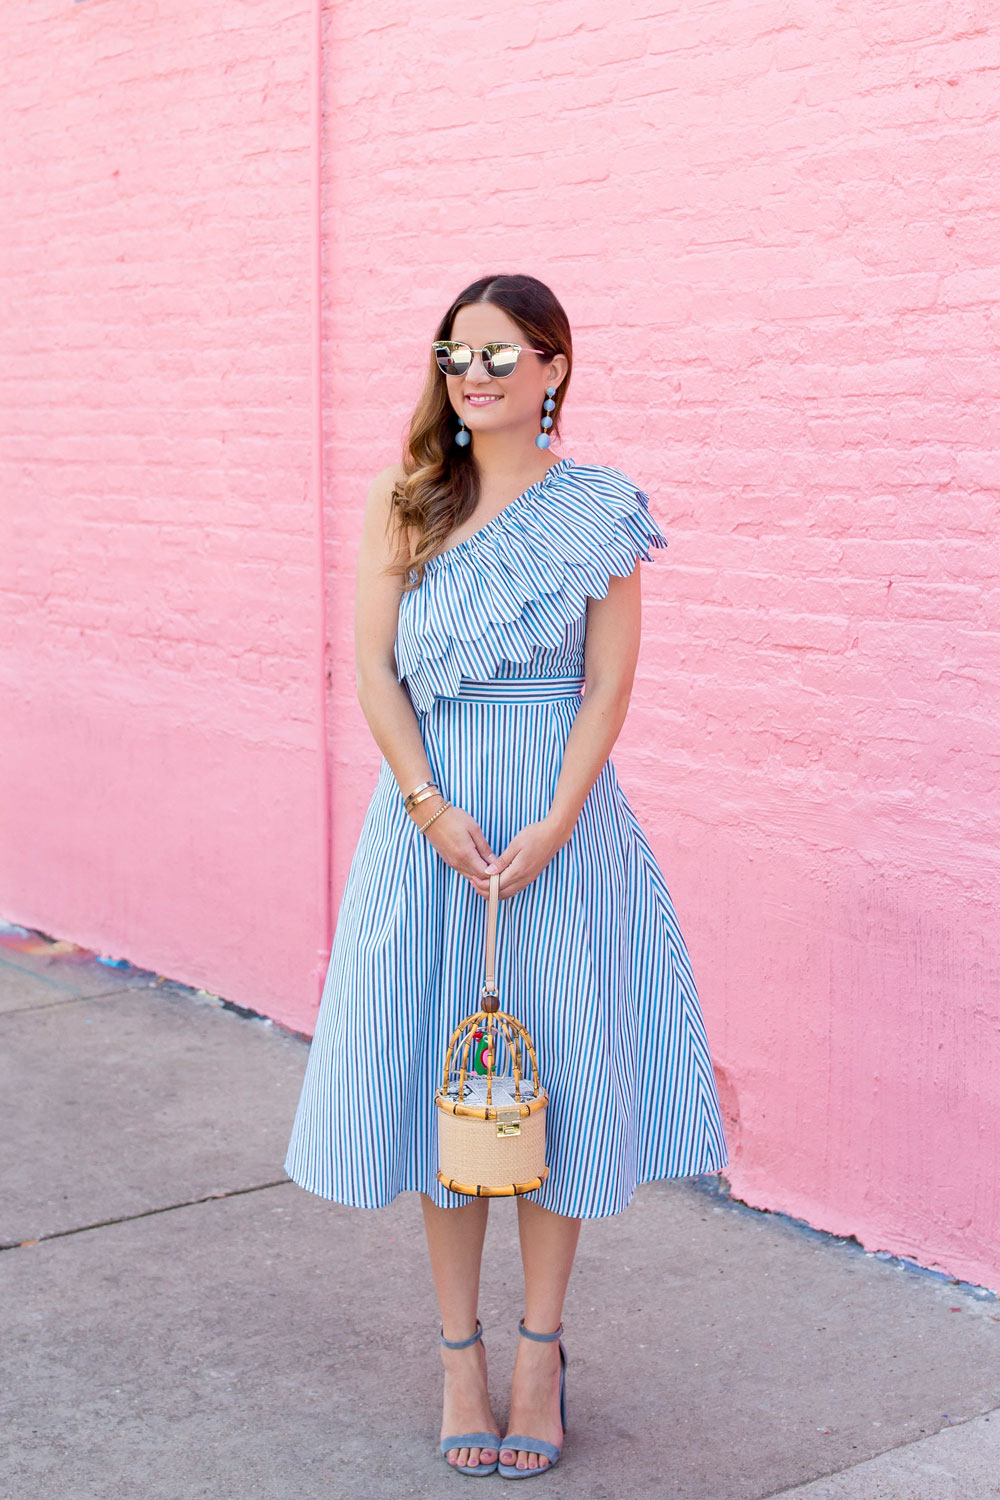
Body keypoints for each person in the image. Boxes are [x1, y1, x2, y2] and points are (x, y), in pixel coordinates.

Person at [283, 272, 728, 1479]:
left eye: (497, 354)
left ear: (553, 368)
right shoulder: (407, 496)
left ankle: (540, 1351)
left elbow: (609, 687)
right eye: (454, 354)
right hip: (430, 824)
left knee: (553, 1084)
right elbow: (373, 671)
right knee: (449, 1086)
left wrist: (557, 821)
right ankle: (457, 1357)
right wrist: (428, 807)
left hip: (556, 832)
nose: (471, 375)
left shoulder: (598, 508)